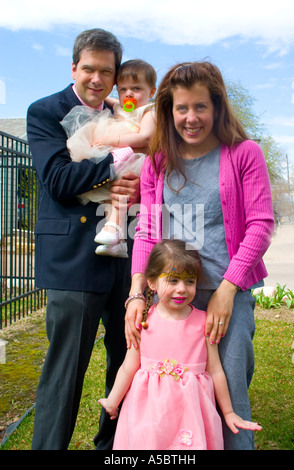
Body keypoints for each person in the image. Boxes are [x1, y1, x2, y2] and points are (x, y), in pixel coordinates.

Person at [124, 62, 275, 450]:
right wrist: (138, 292)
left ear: (217, 106)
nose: (191, 118)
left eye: (201, 107)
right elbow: (147, 231)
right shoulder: (157, 162)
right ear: (169, 111)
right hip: (172, 297)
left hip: (228, 293)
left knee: (230, 388)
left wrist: (228, 289)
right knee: (171, 389)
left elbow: (260, 224)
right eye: (181, 108)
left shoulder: (244, 154)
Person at [26, 28, 140, 450]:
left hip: (128, 260)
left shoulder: (124, 114)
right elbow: (57, 180)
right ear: (74, 67)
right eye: (88, 69)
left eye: (105, 72)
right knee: (64, 373)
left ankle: (114, 448)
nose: (96, 79)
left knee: (127, 361)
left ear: (115, 76)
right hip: (73, 260)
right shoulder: (45, 112)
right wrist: (117, 157)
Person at [99, 239, 262, 450]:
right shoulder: (144, 321)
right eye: (173, 281)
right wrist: (113, 401)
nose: (182, 289)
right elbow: (128, 366)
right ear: (151, 282)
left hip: (191, 412)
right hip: (149, 411)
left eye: (190, 282)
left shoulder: (204, 322)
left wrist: (229, 412)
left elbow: (216, 370)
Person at [60, 59, 156, 258]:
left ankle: (113, 228)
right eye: (123, 89)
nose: (128, 94)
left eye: (136, 88)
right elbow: (107, 100)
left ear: (152, 92)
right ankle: (117, 239)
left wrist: (114, 139)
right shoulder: (122, 106)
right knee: (109, 193)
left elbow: (145, 137)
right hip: (118, 158)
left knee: (121, 190)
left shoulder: (149, 111)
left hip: (136, 157)